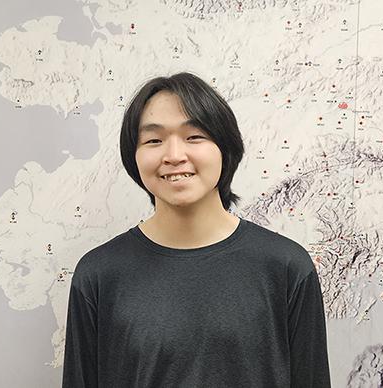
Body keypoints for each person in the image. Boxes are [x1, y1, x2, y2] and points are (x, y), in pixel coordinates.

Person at [62, 72, 332, 387]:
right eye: (153, 140)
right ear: (133, 157)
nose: (174, 156)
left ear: (225, 148)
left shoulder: (286, 267)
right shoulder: (98, 274)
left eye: (194, 137)